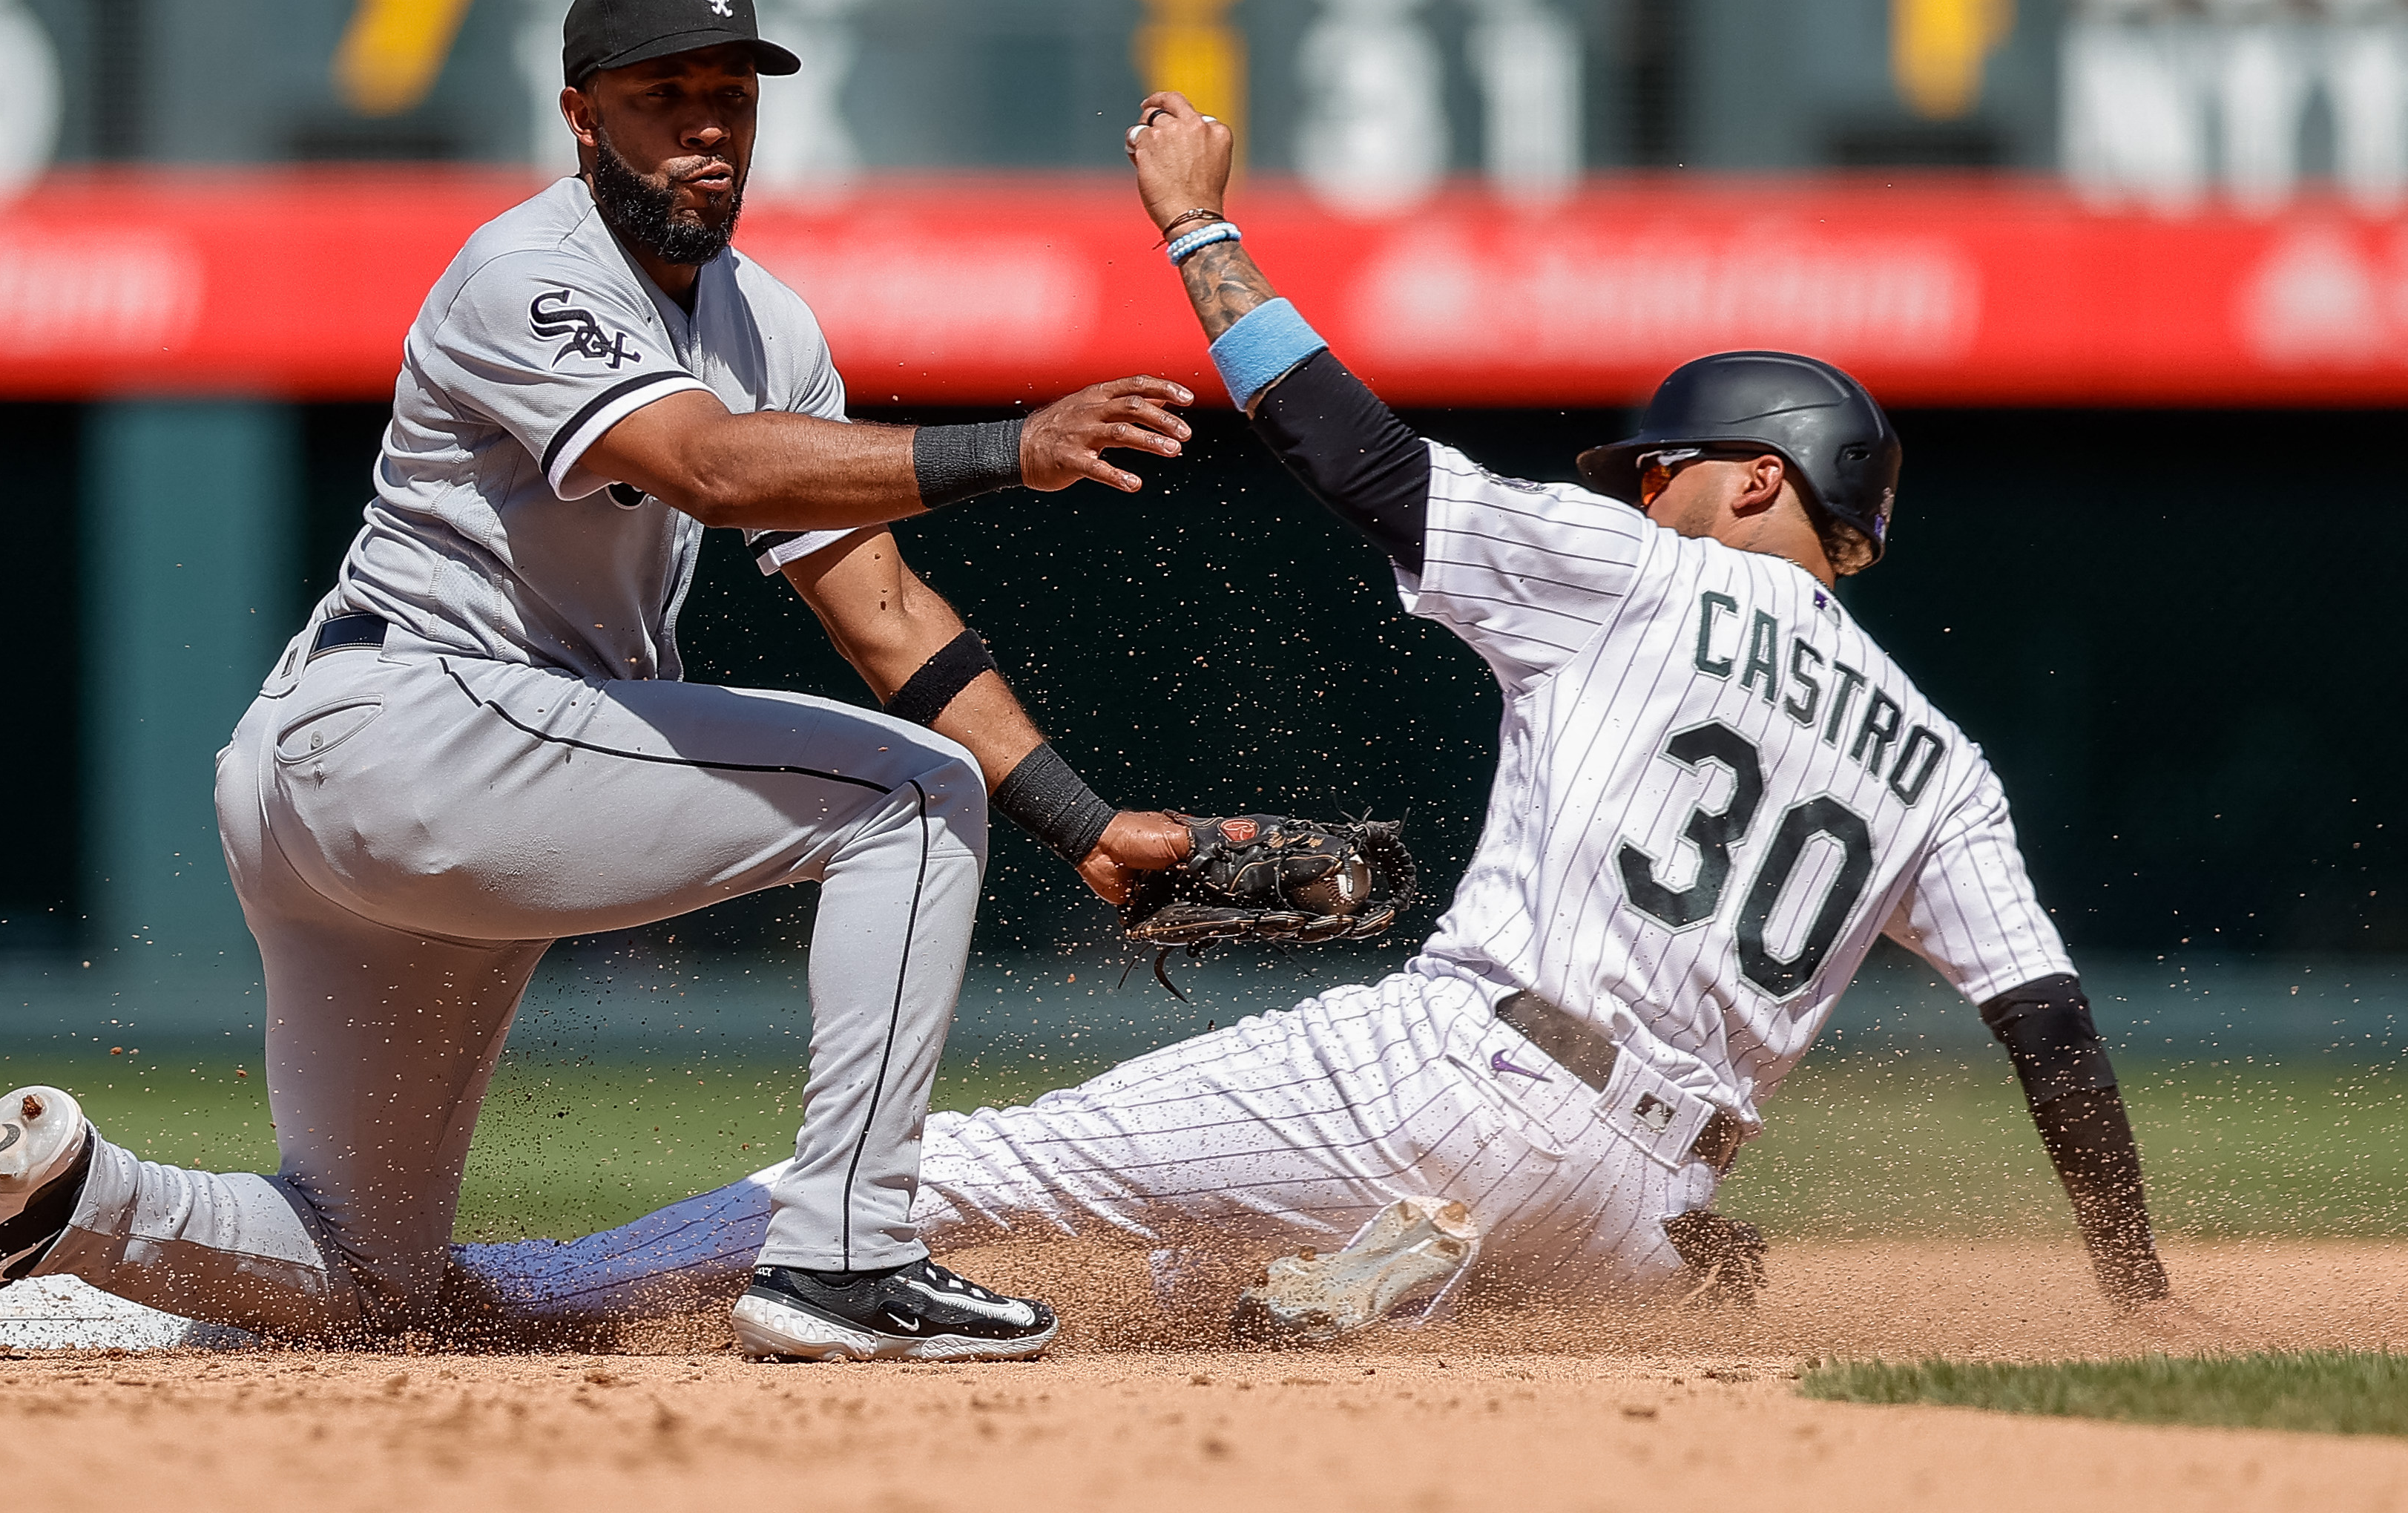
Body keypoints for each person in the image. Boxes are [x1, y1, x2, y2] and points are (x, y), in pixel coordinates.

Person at [448, 89, 2188, 1341]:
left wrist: (1199, 231)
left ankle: (501, 1291)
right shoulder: (1936, 760)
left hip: (1459, 1075)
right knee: (1201, 1286)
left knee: (964, 1163)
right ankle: (1405, 1271)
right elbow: (2050, 1032)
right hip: (1640, 1208)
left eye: (1659, 467)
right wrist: (2134, 1295)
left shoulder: (1638, 572)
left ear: (1749, 485)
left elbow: (1350, 454)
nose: (1636, 489)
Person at [0, 0, 1197, 1363]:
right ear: (581, 115)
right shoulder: (527, 270)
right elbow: (708, 467)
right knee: (907, 795)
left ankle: (62, 1205)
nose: (707, 125)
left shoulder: (766, 325)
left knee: (373, 1278)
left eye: (728, 94)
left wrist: (1079, 826)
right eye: (663, 95)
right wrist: (1010, 448)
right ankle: (844, 1258)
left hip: (417, 776)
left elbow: (881, 609)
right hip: (412, 726)